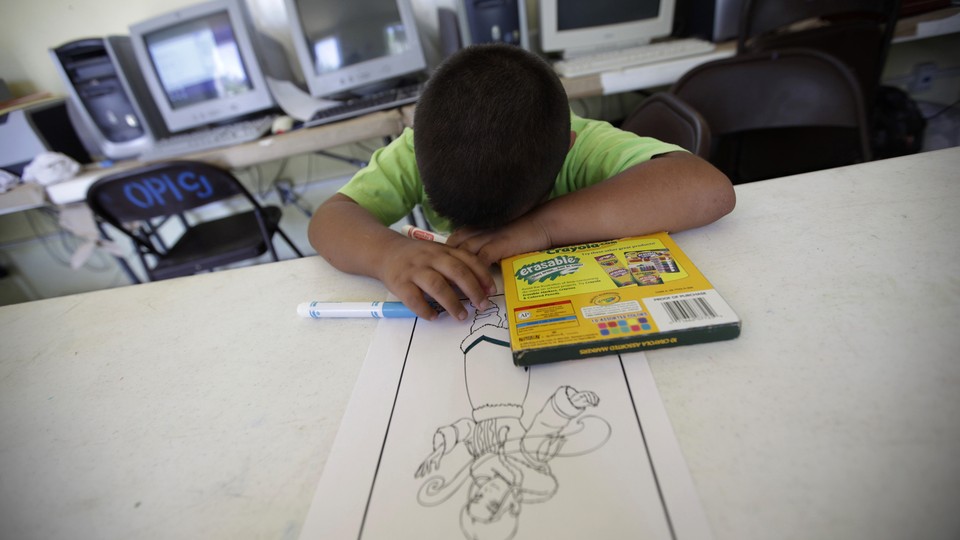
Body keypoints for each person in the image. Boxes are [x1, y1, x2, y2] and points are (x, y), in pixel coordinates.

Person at [308, 44, 735, 321]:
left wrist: (541, 228)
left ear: (567, 149)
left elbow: (707, 188)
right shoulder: (414, 148)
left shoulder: (583, 143)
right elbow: (328, 220)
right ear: (416, 154)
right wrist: (388, 255)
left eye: (509, 221)